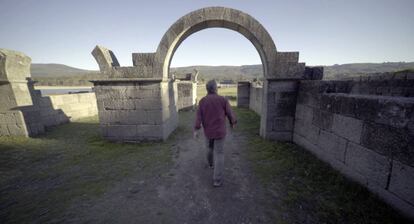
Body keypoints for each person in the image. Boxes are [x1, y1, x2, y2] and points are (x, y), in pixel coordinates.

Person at [193, 80, 237, 187]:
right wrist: (233, 122)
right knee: (219, 153)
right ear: (216, 88)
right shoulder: (223, 100)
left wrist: (196, 129)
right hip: (220, 132)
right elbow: (230, 113)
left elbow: (198, 117)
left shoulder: (202, 101)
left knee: (209, 148)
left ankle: (210, 164)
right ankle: (217, 180)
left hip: (208, 131)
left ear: (207, 89)